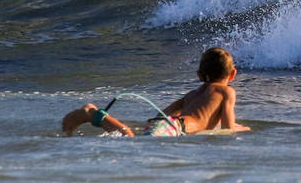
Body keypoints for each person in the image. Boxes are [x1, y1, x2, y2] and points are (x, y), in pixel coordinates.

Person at [61, 47, 250, 137]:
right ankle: (94, 114)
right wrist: (242, 128)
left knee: (131, 139)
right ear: (232, 74)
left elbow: (163, 113)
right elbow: (227, 127)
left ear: (200, 75)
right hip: (176, 128)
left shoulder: (193, 94)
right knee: (129, 141)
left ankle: (96, 115)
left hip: (167, 123)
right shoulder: (227, 92)